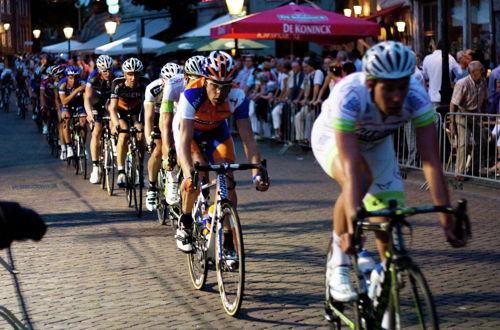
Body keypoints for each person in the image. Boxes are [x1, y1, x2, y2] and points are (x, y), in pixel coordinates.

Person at [311, 41, 467, 303]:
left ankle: (384, 292)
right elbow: (350, 167)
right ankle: (337, 266)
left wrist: (446, 218)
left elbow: (431, 162)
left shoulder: (416, 98)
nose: (397, 97)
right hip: (333, 138)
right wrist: (352, 227)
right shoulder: (349, 94)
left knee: (388, 215)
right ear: (371, 85)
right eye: (389, 89)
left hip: (376, 143)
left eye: (402, 87)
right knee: (359, 178)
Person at [175, 51, 269, 252]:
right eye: (215, 86)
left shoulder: (237, 96)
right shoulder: (191, 94)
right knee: (197, 172)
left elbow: (248, 139)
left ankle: (227, 237)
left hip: (217, 131)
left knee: (227, 177)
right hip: (191, 134)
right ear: (205, 81)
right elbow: (184, 141)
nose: (219, 93)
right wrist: (186, 173)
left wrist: (257, 173)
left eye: (225, 87)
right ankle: (185, 220)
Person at [160, 55, 205, 206]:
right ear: (186, 76)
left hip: (200, 121)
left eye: (202, 78)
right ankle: (172, 178)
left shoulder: (208, 85)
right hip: (179, 117)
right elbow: (166, 119)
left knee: (203, 166)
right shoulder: (173, 84)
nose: (199, 82)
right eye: (195, 78)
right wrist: (168, 149)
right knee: (183, 161)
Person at [144, 62, 183, 212]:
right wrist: (149, 140)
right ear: (162, 79)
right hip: (155, 116)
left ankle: (174, 175)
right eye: (168, 81)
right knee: (158, 149)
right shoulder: (153, 89)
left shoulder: (182, 88)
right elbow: (148, 118)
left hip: (173, 116)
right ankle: (152, 188)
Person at [108, 58, 150, 187]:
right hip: (120, 111)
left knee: (140, 135)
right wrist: (115, 124)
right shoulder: (117, 84)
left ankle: (140, 169)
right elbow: (112, 108)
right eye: (130, 74)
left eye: (136, 74)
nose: (133, 78)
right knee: (123, 134)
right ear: (125, 74)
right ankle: (121, 171)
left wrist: (146, 125)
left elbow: (149, 106)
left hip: (136, 112)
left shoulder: (145, 83)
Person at [449, 61, 488, 180]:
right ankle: (459, 172)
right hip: (463, 114)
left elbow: (484, 99)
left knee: (481, 140)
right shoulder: (462, 83)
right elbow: (453, 104)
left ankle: (474, 169)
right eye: (480, 69)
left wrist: (484, 113)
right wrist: (452, 123)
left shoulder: (483, 81)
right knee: (463, 143)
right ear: (472, 72)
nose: (483, 71)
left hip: (476, 114)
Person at [84, 55, 115, 184]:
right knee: (96, 131)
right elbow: (87, 97)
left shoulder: (116, 75)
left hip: (109, 101)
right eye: (104, 70)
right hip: (96, 101)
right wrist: (89, 113)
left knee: (114, 122)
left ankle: (113, 143)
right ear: (99, 70)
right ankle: (95, 167)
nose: (107, 73)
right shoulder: (93, 76)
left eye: (109, 70)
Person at [58, 66, 87, 161]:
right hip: (67, 105)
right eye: (70, 77)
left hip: (79, 104)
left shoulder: (82, 83)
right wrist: (77, 90)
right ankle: (69, 146)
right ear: (66, 77)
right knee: (66, 120)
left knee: (83, 122)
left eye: (75, 77)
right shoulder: (62, 84)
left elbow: (86, 98)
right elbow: (64, 101)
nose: (73, 80)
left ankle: (82, 145)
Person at [422, 41, 462, 110]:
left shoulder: (427, 58)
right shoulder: (450, 58)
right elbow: (460, 73)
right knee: (445, 118)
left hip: (432, 95)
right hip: (447, 96)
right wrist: (454, 82)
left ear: (437, 47)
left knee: (435, 118)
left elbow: (425, 76)